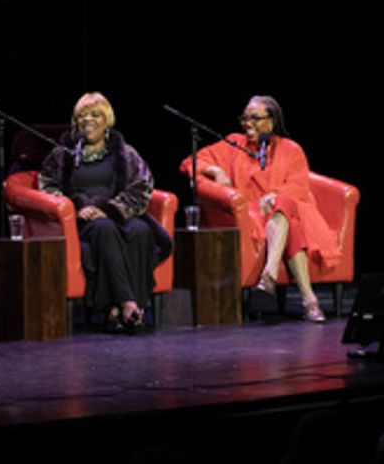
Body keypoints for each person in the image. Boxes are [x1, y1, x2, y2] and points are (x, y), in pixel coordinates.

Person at [181, 95, 337, 323]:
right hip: (251, 215)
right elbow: (190, 162)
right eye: (244, 118)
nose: (247, 123)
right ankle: (309, 300)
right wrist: (216, 171)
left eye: (255, 118)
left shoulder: (291, 149)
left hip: (288, 210)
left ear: (272, 121)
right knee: (290, 222)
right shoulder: (234, 143)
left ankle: (270, 275)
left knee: (285, 210)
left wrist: (276, 196)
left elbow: (299, 185)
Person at [38, 92, 172, 332]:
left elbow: (142, 187)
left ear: (107, 119)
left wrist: (112, 209)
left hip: (118, 213)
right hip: (83, 220)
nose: (88, 120)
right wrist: (74, 208)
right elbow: (47, 185)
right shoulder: (62, 154)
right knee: (104, 229)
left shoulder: (125, 153)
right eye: (82, 116)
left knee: (141, 231)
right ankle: (129, 305)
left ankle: (116, 311)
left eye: (95, 115)